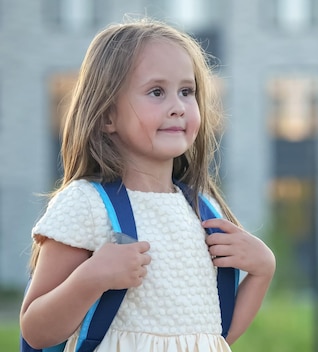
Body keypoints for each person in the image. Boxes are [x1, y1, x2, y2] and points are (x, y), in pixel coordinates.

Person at [20, 17, 276, 352]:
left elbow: (215, 336)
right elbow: (36, 331)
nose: (178, 107)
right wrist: (91, 277)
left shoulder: (202, 209)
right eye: (157, 92)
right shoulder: (85, 204)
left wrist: (262, 270)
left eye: (187, 91)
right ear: (108, 115)